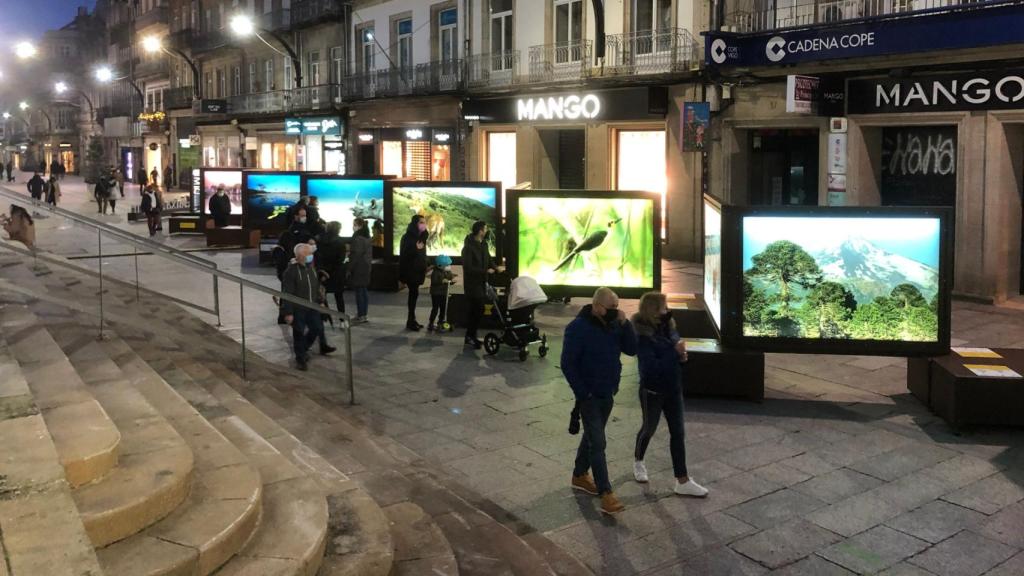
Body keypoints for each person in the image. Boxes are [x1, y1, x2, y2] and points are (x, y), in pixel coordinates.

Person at [561, 287, 638, 516]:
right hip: (590, 395)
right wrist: (583, 393)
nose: (616, 311)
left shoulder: (614, 325)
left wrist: (626, 325)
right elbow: (568, 364)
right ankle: (606, 493)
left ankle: (579, 474)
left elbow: (632, 349)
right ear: (596, 306)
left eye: (617, 307)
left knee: (593, 436)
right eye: (611, 308)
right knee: (599, 442)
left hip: (608, 391)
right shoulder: (577, 329)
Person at [632, 292, 709, 498]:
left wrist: (682, 357)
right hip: (653, 391)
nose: (667, 311)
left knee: (678, 432)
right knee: (649, 427)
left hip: (673, 388)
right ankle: (638, 459)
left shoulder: (669, 326)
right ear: (654, 311)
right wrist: (674, 352)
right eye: (664, 307)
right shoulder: (642, 335)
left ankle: (682, 479)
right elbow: (650, 367)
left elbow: (674, 352)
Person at [281, 243, 336, 371]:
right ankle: (300, 358)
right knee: (298, 332)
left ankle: (303, 348)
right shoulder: (291, 271)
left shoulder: (311, 268)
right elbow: (287, 293)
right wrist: (288, 312)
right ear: (300, 256)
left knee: (317, 328)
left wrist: (320, 301)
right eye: (308, 253)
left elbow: (315, 286)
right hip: (298, 308)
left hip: (312, 306)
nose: (311, 256)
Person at [461, 221, 499, 349]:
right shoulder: (468, 247)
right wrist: (485, 271)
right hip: (472, 284)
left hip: (482, 283)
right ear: (480, 231)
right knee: (476, 309)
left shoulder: (484, 245)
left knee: (478, 310)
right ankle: (470, 336)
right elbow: (468, 267)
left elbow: (488, 259)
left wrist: (496, 268)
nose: (487, 231)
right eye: (486, 229)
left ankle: (471, 335)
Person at [399, 214, 428, 331]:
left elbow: (422, 254)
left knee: (414, 295)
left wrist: (427, 264)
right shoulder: (407, 237)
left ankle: (412, 320)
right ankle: (411, 321)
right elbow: (405, 255)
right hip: (411, 271)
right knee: (413, 295)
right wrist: (416, 249)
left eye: (424, 222)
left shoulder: (422, 237)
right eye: (421, 222)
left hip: (419, 270)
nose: (424, 224)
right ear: (415, 223)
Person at [317, 221, 348, 317]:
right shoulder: (340, 242)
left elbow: (318, 257)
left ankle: (324, 317)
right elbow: (340, 260)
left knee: (322, 295)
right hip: (336, 273)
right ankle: (342, 319)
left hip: (323, 273)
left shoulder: (319, 240)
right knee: (339, 296)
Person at [348, 218, 372, 324]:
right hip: (366, 266)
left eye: (354, 224)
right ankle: (364, 314)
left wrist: (349, 267)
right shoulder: (367, 237)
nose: (353, 226)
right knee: (364, 290)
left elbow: (356, 255)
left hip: (359, 267)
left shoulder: (358, 238)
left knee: (359, 291)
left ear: (359, 225)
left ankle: (361, 314)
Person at [428, 255, 456, 332]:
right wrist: (441, 281)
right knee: (435, 308)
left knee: (443, 308)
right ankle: (431, 322)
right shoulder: (435, 272)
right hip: (436, 293)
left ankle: (440, 321)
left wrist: (450, 275)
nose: (448, 266)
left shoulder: (446, 271)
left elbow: (449, 278)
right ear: (440, 265)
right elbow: (434, 281)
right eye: (446, 265)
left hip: (443, 293)